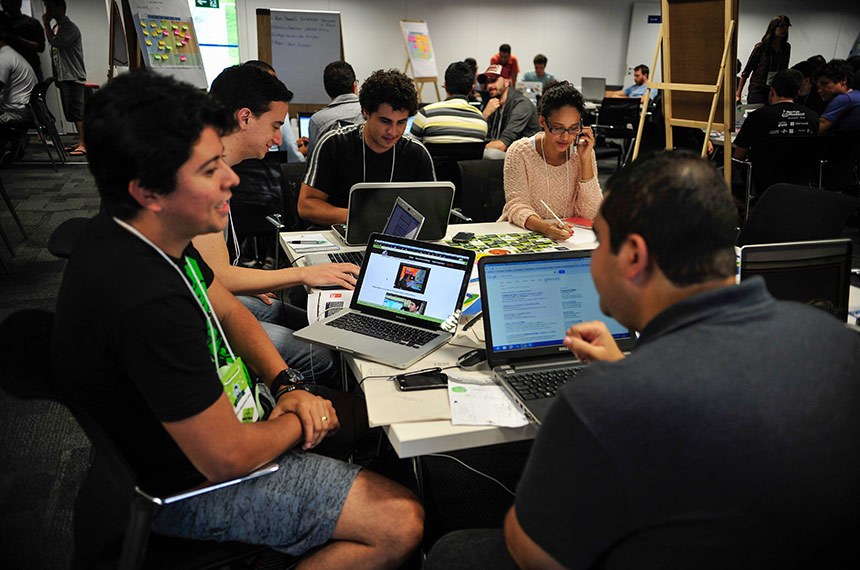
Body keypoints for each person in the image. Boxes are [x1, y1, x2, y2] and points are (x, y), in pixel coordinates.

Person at [52, 70, 423, 567]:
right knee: (400, 519)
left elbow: (225, 307)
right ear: (148, 191)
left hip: (233, 419)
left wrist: (287, 383)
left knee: (367, 417)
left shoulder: (154, 238)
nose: (229, 178)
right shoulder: (143, 299)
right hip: (193, 489)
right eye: (208, 170)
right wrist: (298, 420)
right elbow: (224, 456)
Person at [426, 151, 860, 569]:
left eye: (598, 243)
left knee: (452, 551)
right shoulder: (841, 345)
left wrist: (618, 386)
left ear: (633, 256)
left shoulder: (602, 401)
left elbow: (534, 555)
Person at [201, 63, 359, 385]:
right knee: (321, 354)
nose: (277, 138)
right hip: (194, 316)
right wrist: (302, 273)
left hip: (203, 295)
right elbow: (219, 275)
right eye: (274, 126)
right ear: (244, 118)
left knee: (303, 320)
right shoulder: (201, 176)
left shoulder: (211, 161)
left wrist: (255, 280)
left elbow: (213, 271)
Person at [298, 68, 435, 226]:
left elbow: (430, 210)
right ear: (365, 112)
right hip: (339, 235)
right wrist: (362, 216)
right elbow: (306, 206)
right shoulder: (334, 144)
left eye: (401, 122)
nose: (393, 131)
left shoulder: (416, 154)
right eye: (385, 121)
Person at [499, 81, 601, 240]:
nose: (566, 137)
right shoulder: (520, 152)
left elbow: (591, 213)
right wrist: (546, 228)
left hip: (568, 239)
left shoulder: (583, 151)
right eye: (558, 128)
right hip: (524, 234)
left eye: (574, 128)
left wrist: (585, 159)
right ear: (542, 122)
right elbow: (516, 207)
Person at [733, 68, 818, 162]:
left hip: (763, 174)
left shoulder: (757, 116)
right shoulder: (813, 117)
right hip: (802, 174)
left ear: (772, 90)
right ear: (797, 93)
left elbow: (738, 157)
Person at [42, 0, 85, 156]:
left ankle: (84, 144)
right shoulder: (57, 27)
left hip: (73, 76)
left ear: (60, 8)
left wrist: (45, 23)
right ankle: (81, 141)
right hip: (64, 76)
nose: (48, 11)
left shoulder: (69, 28)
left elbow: (56, 42)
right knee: (71, 113)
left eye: (50, 7)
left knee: (77, 111)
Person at [409, 61, 488, 144]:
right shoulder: (481, 121)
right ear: (472, 88)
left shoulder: (425, 114)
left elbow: (411, 148)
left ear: (445, 85)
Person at [478, 64, 540, 159]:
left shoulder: (521, 104)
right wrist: (485, 115)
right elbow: (483, 137)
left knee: (489, 154)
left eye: (493, 80)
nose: (489, 86)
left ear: (507, 82)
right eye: (487, 82)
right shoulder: (493, 104)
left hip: (527, 159)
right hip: (509, 155)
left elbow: (502, 145)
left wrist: (472, 151)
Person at [308, 60, 364, 155]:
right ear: (355, 86)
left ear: (327, 90)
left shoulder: (317, 120)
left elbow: (313, 161)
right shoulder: (371, 112)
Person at [0, 14, 36, 160]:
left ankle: (4, 148)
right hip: (24, 107)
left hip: (17, 111)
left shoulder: (3, 58)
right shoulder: (10, 54)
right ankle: (10, 142)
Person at [737, 15, 791, 104]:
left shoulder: (786, 48)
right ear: (773, 27)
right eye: (781, 26)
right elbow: (747, 71)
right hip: (758, 89)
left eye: (787, 26)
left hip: (775, 90)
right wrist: (738, 94)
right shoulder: (761, 47)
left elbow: (784, 70)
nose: (784, 29)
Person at [1, 0, 45, 82]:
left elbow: (40, 47)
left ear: (18, 4)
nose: (5, 6)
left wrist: (17, 39)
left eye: (8, 3)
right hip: (10, 69)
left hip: (31, 66)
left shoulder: (32, 23)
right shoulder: (4, 25)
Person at [816, 59, 860, 135]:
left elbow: (818, 128)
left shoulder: (844, 98)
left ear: (843, 80)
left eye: (824, 84)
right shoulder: (856, 95)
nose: (819, 90)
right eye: (818, 87)